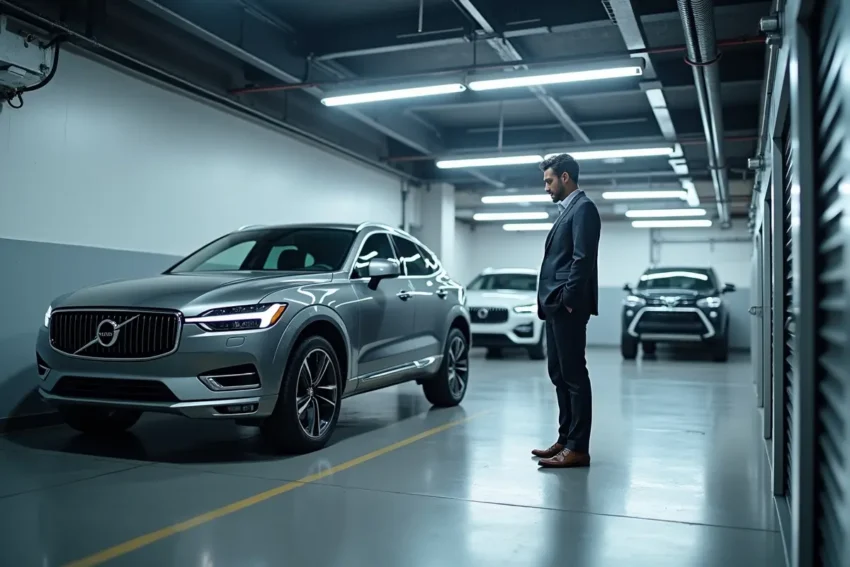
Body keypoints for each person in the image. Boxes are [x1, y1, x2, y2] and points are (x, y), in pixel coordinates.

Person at [532, 153, 601, 468]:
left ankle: (578, 448)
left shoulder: (583, 208)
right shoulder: (568, 211)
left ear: (565, 177)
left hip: (566, 305)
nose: (546, 187)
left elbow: (582, 259)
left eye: (549, 181)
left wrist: (568, 299)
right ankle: (564, 439)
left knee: (574, 375)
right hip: (555, 305)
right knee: (559, 374)